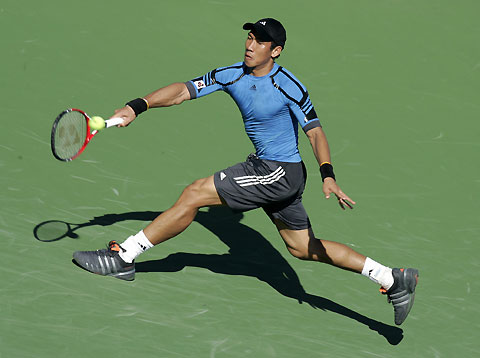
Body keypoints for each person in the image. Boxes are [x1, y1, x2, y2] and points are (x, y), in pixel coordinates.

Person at [73, 18, 418, 325]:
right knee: (302, 248)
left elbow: (314, 131)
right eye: (249, 37)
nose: (250, 45)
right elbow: (182, 91)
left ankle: (125, 257)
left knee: (195, 193)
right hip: (270, 171)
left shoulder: (290, 86)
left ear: (276, 50)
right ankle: (391, 277)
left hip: (279, 171)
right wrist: (139, 106)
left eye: (260, 41)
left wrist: (328, 173)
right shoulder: (232, 73)